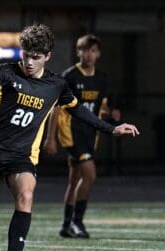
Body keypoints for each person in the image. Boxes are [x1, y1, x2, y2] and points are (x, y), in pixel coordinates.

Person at [0, 24, 139, 251]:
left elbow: (79, 110)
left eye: (36, 57)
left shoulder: (56, 84)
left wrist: (112, 128)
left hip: (21, 157)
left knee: (26, 194)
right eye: (26, 54)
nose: (29, 61)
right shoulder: (4, 72)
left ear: (47, 56)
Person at [43, 34, 122, 239]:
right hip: (72, 132)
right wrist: (50, 138)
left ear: (98, 54)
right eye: (84, 50)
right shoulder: (70, 76)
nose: (88, 54)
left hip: (89, 134)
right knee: (90, 174)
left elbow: (100, 107)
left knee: (74, 180)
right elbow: (57, 108)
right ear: (78, 52)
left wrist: (110, 114)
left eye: (92, 51)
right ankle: (77, 222)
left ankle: (66, 223)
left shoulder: (102, 78)